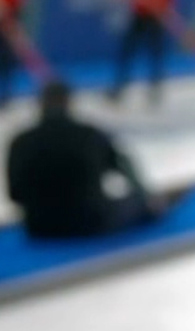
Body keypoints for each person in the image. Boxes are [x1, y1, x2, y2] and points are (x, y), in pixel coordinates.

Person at [6, 81, 185, 240]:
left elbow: (14, 194)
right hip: (90, 222)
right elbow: (123, 165)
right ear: (69, 103)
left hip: (38, 227)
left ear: (40, 104)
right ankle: (157, 203)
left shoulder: (20, 141)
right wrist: (143, 195)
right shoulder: (89, 135)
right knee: (134, 204)